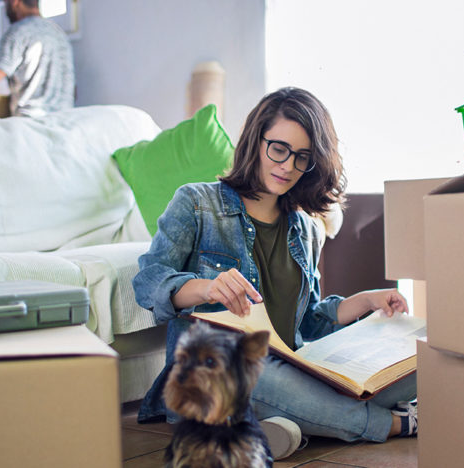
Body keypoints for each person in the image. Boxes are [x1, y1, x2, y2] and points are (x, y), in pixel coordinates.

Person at [133, 87, 418, 457]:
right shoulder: (195, 203)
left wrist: (367, 301)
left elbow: (310, 323)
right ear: (256, 140)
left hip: (292, 369)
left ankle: (291, 424)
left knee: (418, 362)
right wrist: (206, 288)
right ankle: (395, 422)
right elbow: (148, 281)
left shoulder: (307, 228)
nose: (287, 167)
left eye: (302, 158)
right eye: (279, 149)